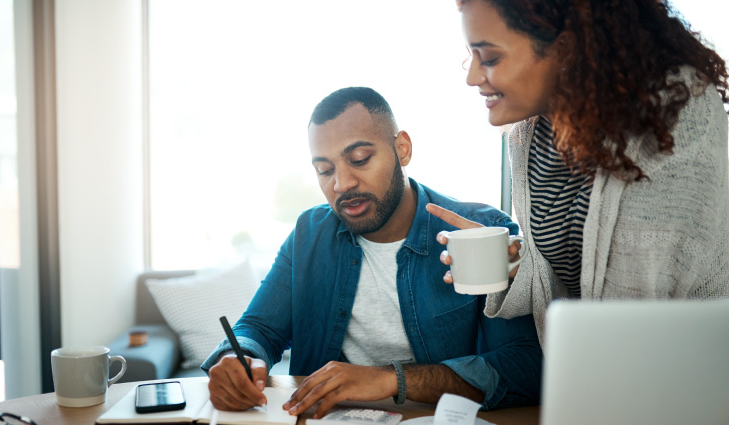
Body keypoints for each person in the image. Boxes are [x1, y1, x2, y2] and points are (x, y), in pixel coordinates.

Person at [201, 87, 543, 417]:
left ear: (403, 149)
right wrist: (239, 357)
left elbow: (524, 367)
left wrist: (390, 380)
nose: (341, 184)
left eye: (359, 159)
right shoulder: (309, 233)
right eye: (325, 169)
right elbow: (259, 328)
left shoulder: (479, 233)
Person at [428, 0, 729, 341]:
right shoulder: (528, 136)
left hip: (696, 372)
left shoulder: (674, 109)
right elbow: (578, 276)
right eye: (471, 54)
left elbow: (639, 301)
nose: (472, 77)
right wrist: (512, 262)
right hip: (600, 373)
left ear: (566, 50)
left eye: (491, 58)